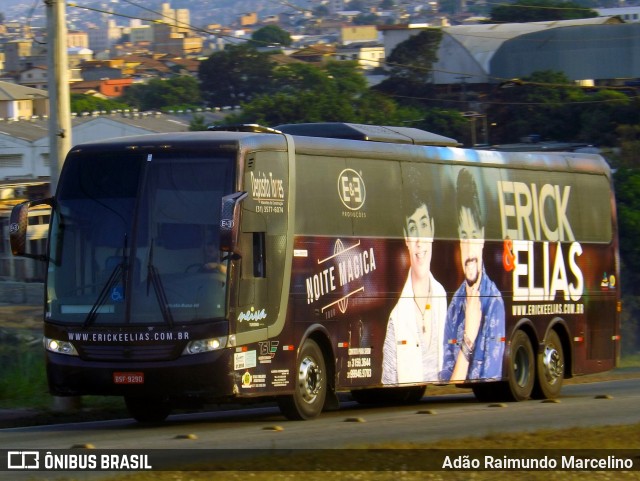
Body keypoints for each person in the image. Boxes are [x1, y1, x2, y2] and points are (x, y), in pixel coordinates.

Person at [440, 168, 505, 382]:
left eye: (474, 235)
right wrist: (468, 336)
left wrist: (466, 343)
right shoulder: (455, 305)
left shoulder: (494, 303)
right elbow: (448, 381)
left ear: (483, 237)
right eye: (464, 236)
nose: (469, 248)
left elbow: (490, 377)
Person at [382, 184, 447, 384]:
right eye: (412, 228)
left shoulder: (442, 297)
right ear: (406, 238)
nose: (419, 240)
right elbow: (388, 382)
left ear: (433, 229)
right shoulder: (397, 319)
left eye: (424, 225)